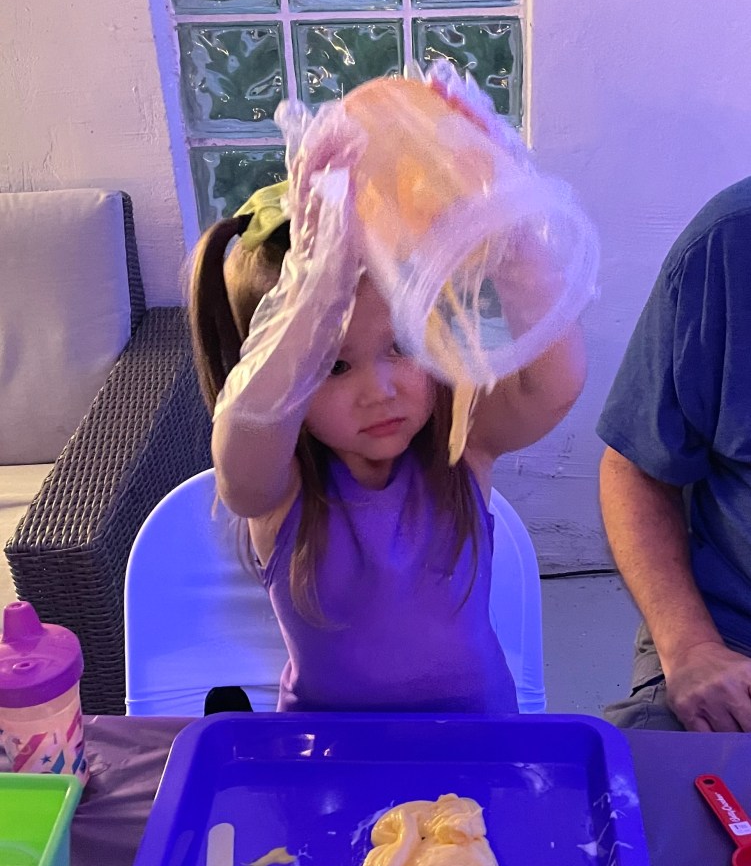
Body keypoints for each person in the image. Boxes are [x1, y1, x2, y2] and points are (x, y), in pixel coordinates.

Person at [188, 84, 589, 715]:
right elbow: (242, 442)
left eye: (401, 344)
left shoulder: (464, 443)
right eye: (333, 365)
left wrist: (505, 224)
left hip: (479, 745)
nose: (378, 389)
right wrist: (312, 296)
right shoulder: (277, 488)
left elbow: (556, 383)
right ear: (283, 375)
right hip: (330, 760)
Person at [598, 177, 751, 732]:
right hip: (731, 646)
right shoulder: (730, 239)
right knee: (631, 802)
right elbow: (636, 467)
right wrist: (689, 649)